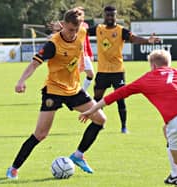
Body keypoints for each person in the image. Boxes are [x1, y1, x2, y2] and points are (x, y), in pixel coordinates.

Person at [6, 8, 107, 179]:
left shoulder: (81, 32)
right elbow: (33, 64)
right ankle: (14, 168)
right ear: (64, 25)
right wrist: (21, 81)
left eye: (75, 30)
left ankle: (78, 155)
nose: (72, 34)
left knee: (100, 120)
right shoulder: (53, 44)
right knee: (40, 134)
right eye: (69, 30)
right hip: (53, 91)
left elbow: (79, 24)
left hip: (74, 89)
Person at [79, 49, 177, 180]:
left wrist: (92, 109)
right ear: (168, 64)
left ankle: (176, 175)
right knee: (166, 129)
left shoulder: (147, 79)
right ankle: (175, 176)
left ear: (153, 66)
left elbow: (115, 95)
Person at [88, 5, 160, 133]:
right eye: (108, 15)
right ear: (104, 16)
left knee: (120, 99)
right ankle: (99, 122)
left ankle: (124, 126)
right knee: (97, 99)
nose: (110, 17)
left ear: (116, 16)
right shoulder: (98, 29)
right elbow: (80, 31)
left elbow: (134, 39)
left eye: (112, 15)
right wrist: (64, 28)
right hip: (102, 71)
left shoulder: (121, 31)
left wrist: (147, 41)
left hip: (117, 72)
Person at [77, 6, 95, 92]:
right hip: (74, 56)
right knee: (73, 76)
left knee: (91, 74)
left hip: (84, 55)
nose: (81, 16)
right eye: (79, 14)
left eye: (82, 14)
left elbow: (86, 41)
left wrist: (90, 54)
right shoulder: (71, 25)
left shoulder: (85, 25)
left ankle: (83, 91)